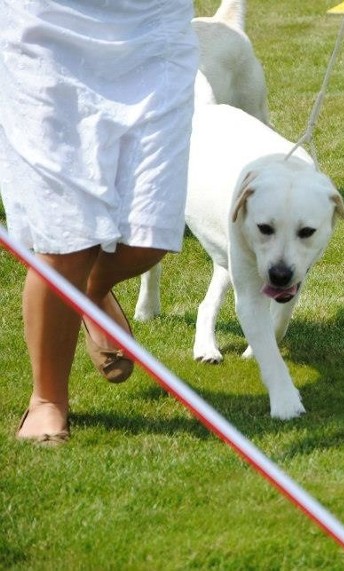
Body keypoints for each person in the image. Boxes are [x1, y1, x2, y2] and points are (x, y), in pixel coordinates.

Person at [0, 1, 199, 444]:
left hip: (152, 30)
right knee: (66, 240)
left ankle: (89, 292)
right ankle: (47, 400)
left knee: (151, 236)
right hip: (49, 33)